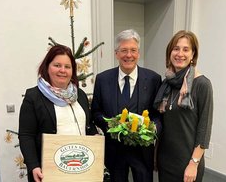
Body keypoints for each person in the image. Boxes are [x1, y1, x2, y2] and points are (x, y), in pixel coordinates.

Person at [18, 45, 98, 182]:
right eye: (57, 65)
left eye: (67, 66)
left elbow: (88, 125)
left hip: (81, 167)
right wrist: (34, 166)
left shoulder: (80, 95)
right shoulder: (34, 97)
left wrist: (96, 140)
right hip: (49, 171)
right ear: (47, 67)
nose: (62, 70)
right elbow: (26, 135)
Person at [91, 29, 162, 182]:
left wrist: (153, 128)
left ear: (138, 53)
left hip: (143, 151)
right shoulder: (102, 79)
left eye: (133, 50)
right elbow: (96, 112)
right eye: (124, 50)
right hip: (113, 150)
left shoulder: (153, 79)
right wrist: (112, 125)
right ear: (116, 53)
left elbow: (157, 114)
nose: (128, 55)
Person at [153, 30, 213, 182]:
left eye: (186, 49)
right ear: (170, 53)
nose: (180, 54)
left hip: (188, 163)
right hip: (165, 159)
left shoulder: (202, 84)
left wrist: (193, 164)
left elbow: (204, 129)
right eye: (176, 48)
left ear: (193, 55)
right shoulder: (166, 83)